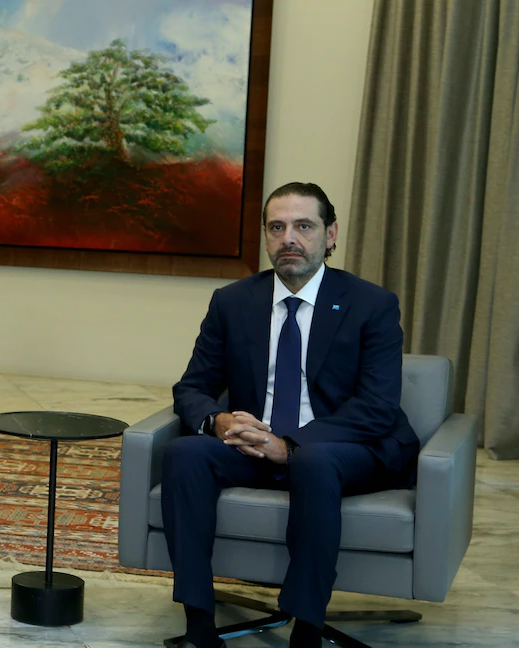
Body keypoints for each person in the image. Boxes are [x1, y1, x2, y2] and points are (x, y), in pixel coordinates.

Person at [162, 182, 419, 648]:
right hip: (258, 445)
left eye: (304, 226)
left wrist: (292, 446)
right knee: (185, 455)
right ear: (265, 236)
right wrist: (220, 422)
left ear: (330, 234)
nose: (289, 239)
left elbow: (377, 407)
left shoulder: (371, 304)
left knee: (313, 461)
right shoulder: (233, 301)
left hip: (347, 449)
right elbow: (192, 387)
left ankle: (306, 627)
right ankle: (199, 621)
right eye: (277, 228)